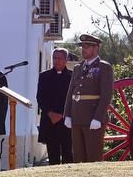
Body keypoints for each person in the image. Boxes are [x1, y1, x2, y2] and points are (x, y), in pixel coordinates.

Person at [63, 34, 114, 163]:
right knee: (78, 158)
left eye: (87, 46)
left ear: (96, 48)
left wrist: (98, 118)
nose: (83, 49)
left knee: (93, 157)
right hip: (76, 117)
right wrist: (67, 114)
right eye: (82, 46)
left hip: (92, 118)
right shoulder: (78, 68)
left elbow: (106, 95)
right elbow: (70, 93)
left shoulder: (104, 67)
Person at [36, 48, 74, 165]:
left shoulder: (73, 76)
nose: (57, 61)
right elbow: (40, 97)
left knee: (68, 154)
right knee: (53, 156)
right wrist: (50, 113)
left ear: (66, 60)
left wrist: (63, 115)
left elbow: (74, 98)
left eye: (60, 58)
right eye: (55, 58)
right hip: (50, 121)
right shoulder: (44, 76)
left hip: (66, 121)